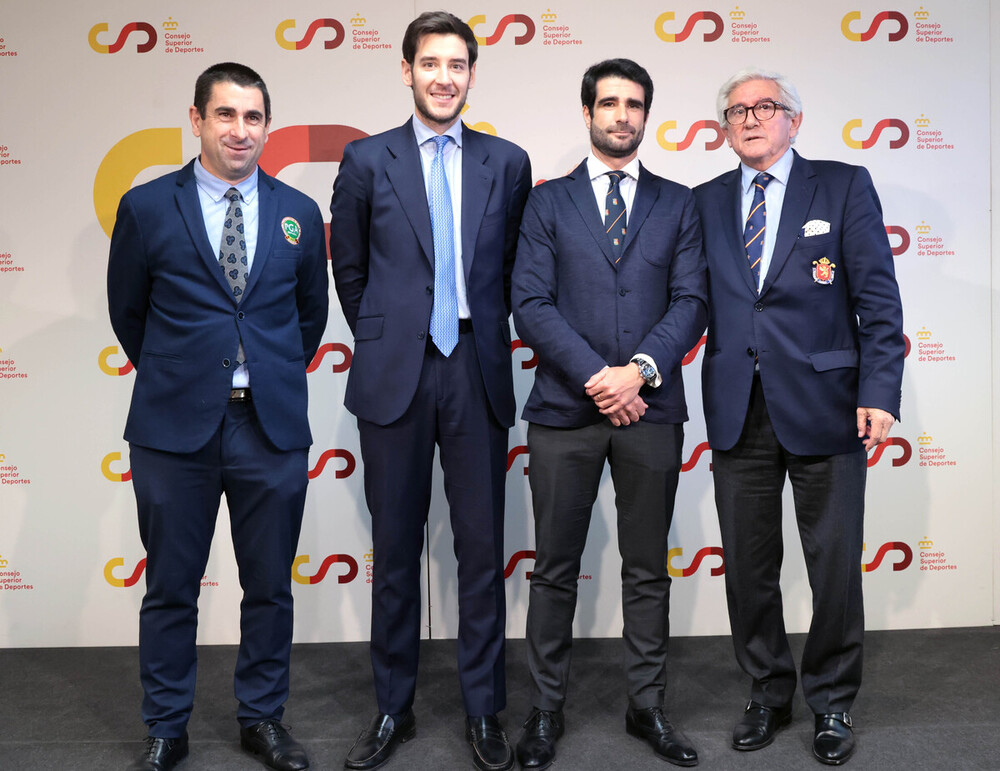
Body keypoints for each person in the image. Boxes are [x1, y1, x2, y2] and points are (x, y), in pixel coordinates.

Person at [108, 62, 328, 771]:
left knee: (268, 585)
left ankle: (261, 718)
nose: (241, 130)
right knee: (170, 587)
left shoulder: (299, 212)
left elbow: (308, 320)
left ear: (267, 125)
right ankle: (167, 725)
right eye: (226, 114)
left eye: (254, 116)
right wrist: (188, 374)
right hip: (174, 430)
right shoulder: (146, 209)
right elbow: (129, 314)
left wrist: (258, 375)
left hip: (270, 427)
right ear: (196, 119)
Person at [328, 11, 531, 771]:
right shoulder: (365, 159)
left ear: (472, 74)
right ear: (406, 70)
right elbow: (348, 268)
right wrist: (388, 332)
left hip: (476, 365)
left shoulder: (505, 161)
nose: (444, 76)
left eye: (458, 64)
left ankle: (484, 710)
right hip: (396, 374)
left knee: (481, 552)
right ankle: (393, 708)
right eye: (431, 63)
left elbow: (513, 270)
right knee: (398, 548)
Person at [693, 69, 904, 766]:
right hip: (736, 410)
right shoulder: (703, 202)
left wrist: (878, 390)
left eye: (765, 107)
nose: (750, 118)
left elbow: (878, 301)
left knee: (834, 565)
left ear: (794, 120)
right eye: (736, 112)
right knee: (749, 569)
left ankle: (834, 699)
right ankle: (767, 691)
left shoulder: (843, 186)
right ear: (723, 129)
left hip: (829, 408)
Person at [510, 58, 707, 769]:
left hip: (652, 409)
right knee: (555, 568)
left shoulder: (679, 203)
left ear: (646, 114)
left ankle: (646, 706)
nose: (621, 115)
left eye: (633, 105)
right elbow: (529, 302)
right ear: (587, 111)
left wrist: (639, 373)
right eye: (609, 103)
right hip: (566, 408)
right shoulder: (545, 203)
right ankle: (544, 709)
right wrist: (600, 376)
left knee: (647, 567)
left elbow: (692, 300)